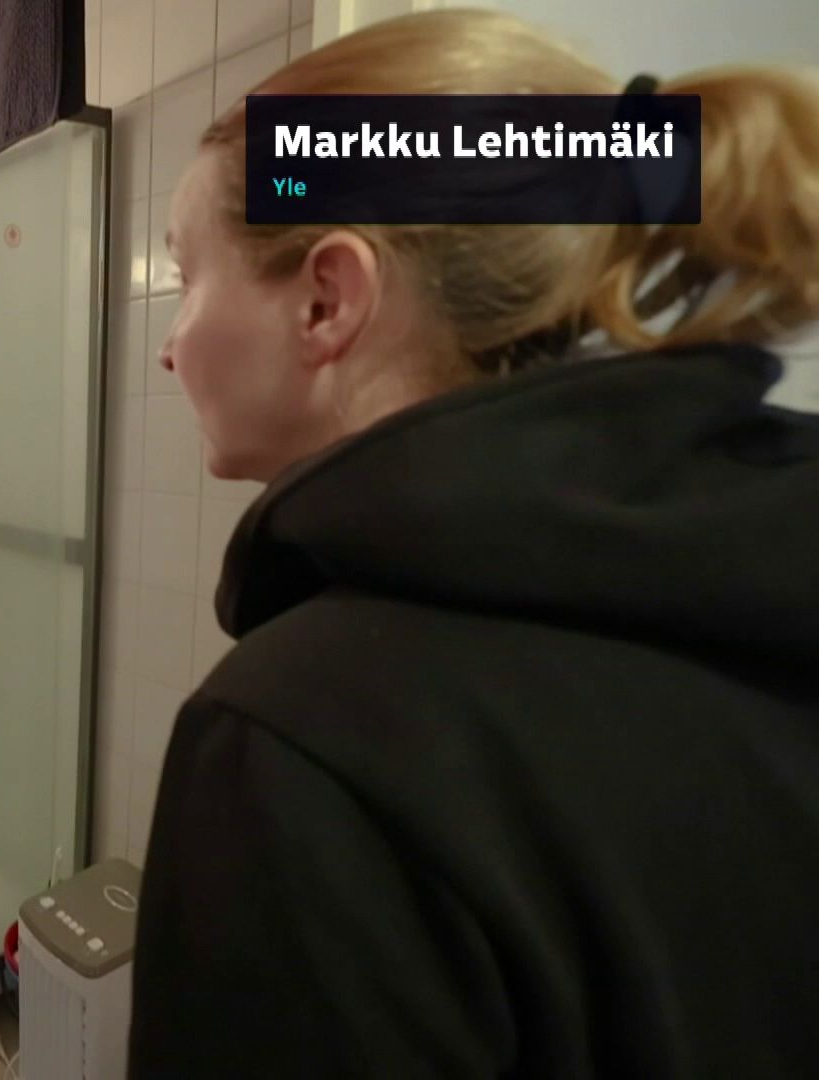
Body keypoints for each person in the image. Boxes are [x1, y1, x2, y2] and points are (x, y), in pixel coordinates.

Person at [129, 11, 819, 1077]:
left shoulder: (304, 735)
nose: (171, 350)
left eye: (188, 278)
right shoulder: (768, 578)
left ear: (326, 301)